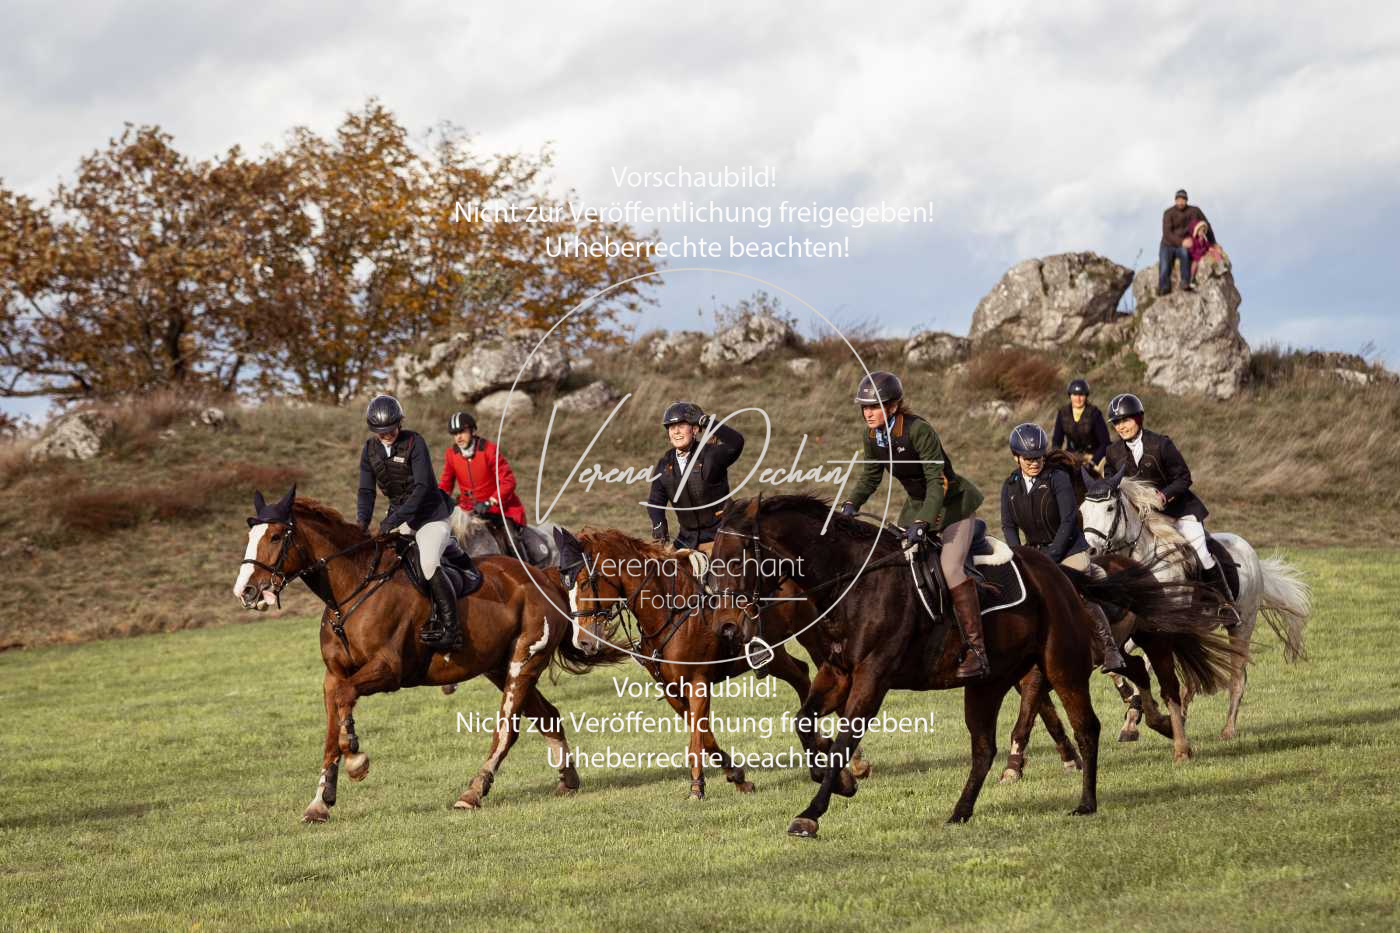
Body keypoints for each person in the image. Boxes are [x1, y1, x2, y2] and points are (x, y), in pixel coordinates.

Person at [837, 371, 989, 681]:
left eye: (875, 406)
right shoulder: (872, 436)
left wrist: (923, 521)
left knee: (950, 568)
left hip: (953, 505)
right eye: (865, 407)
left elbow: (937, 480)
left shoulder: (919, 430)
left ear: (893, 406)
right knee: (894, 562)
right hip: (918, 506)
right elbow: (870, 476)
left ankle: (977, 650)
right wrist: (850, 505)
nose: (868, 413)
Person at [1001, 423, 1127, 673]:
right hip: (1034, 552)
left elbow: (1069, 519)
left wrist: (1052, 556)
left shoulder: (1057, 478)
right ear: (1016, 457)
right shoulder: (1010, 486)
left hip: (1069, 550)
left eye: (1038, 457)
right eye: (1028, 459)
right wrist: (1018, 556)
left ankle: (1110, 648)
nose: (1034, 463)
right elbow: (1008, 525)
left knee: (1075, 590)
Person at [357, 395, 465, 649]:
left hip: (430, 516)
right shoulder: (369, 450)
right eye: (381, 432)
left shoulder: (415, 442)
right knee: (381, 564)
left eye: (391, 429)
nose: (387, 435)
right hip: (399, 516)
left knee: (427, 563)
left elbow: (422, 487)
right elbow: (366, 491)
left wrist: (393, 519)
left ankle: (452, 629)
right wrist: (361, 524)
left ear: (400, 423)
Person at [1104, 393, 1230, 600]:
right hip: (1143, 517)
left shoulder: (1161, 444)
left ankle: (1225, 602)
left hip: (1178, 510)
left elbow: (1184, 477)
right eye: (1116, 422)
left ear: (1138, 419)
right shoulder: (1112, 452)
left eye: (1125, 420)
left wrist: (1164, 495)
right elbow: (1110, 483)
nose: (1121, 427)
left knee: (1201, 551)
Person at [646, 401, 745, 552]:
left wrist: (706, 421)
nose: (676, 431)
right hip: (686, 540)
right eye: (672, 427)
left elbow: (736, 442)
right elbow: (655, 501)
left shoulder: (712, 455)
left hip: (721, 537)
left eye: (681, 426)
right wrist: (658, 523)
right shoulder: (664, 464)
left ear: (694, 429)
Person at [438, 410, 529, 557]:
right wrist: (438, 498)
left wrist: (490, 502)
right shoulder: (451, 454)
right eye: (455, 434)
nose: (459, 437)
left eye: (462, 432)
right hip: (468, 511)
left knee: (512, 541)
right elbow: (445, 484)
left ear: (472, 430)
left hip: (499, 510)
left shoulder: (489, 450)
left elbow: (508, 481)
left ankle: (525, 566)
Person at [1159, 189, 1213, 296]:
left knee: (1185, 255)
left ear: (1186, 200)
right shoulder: (1168, 213)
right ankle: (1164, 288)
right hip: (1167, 244)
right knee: (1165, 265)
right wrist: (1182, 241)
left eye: (1183, 199)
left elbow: (1206, 224)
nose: (1180, 202)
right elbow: (1167, 233)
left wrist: (1212, 243)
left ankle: (1185, 282)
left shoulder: (1194, 211)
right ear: (1175, 200)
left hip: (1183, 246)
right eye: (1178, 199)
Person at [1051, 378, 1110, 466]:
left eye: (1081, 395)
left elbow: (1105, 442)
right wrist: (1057, 457)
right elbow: (1057, 440)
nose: (1078, 398)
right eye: (1075, 394)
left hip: (1093, 457)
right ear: (1070, 395)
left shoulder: (1095, 413)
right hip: (1071, 457)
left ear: (1086, 396)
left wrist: (1094, 461)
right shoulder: (1062, 413)